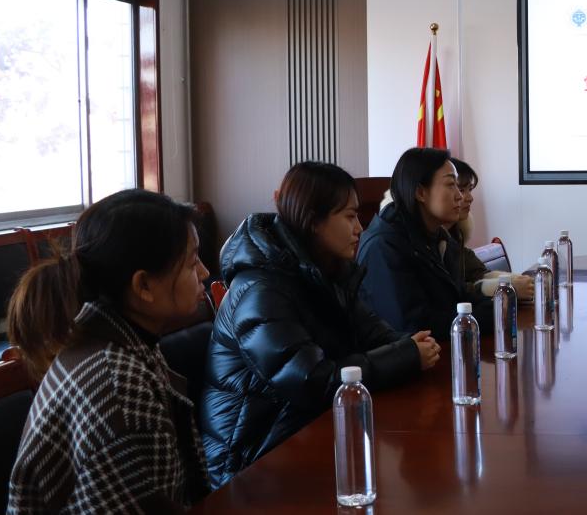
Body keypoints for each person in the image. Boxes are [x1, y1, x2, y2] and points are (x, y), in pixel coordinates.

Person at [200, 162, 439, 488]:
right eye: (350, 216)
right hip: (250, 462)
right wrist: (406, 355)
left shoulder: (328, 270)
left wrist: (413, 346)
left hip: (304, 432)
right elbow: (311, 381)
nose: (360, 227)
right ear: (313, 221)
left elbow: (374, 334)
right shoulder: (259, 288)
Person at [6, 189, 211, 512]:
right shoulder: (119, 387)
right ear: (143, 286)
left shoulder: (115, 336)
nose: (204, 273)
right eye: (192, 262)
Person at [357, 148, 494, 339]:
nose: (460, 196)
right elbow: (413, 326)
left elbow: (459, 297)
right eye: (450, 185)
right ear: (420, 192)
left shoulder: (438, 237)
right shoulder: (384, 246)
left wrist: (498, 305)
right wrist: (484, 318)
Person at [448, 157, 533, 301]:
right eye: (461, 190)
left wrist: (523, 282)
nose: (469, 198)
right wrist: (508, 287)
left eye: (469, 190)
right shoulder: (435, 242)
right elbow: (455, 292)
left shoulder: (455, 237)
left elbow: (479, 274)